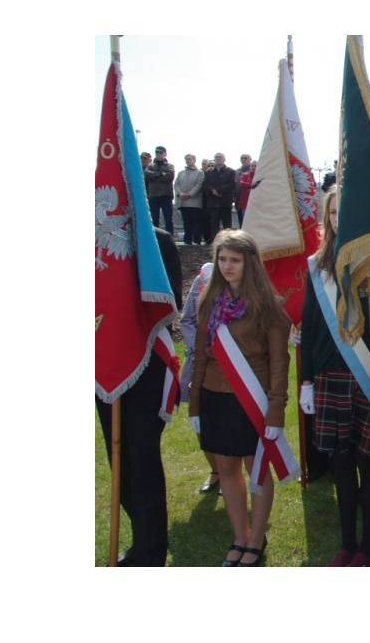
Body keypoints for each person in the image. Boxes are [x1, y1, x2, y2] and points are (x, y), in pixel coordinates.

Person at [300, 189, 370, 567]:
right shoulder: (316, 265)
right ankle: (346, 543)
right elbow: (310, 326)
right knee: (341, 465)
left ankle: (369, 546)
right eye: (335, 212)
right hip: (329, 377)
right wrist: (307, 380)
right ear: (328, 218)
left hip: (368, 379)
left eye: (348, 210)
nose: (341, 218)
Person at [189, 229, 291, 567]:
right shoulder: (209, 300)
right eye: (222, 259)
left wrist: (276, 409)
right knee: (227, 467)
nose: (227, 266)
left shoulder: (269, 305)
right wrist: (195, 402)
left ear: (250, 262)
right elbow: (201, 355)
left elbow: (279, 361)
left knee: (256, 468)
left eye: (234, 260)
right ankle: (240, 536)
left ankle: (257, 539)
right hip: (215, 396)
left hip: (252, 398)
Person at [95, 227, 182, 566]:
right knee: (119, 461)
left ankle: (150, 551)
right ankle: (142, 535)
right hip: (105, 363)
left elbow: (169, 300)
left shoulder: (156, 241)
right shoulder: (92, 241)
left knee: (142, 457)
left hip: (148, 363)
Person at [180, 259, 221, 494]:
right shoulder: (201, 280)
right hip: (199, 362)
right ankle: (214, 470)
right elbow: (186, 319)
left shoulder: (241, 283)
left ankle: (229, 472)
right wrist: (199, 348)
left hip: (228, 364)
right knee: (199, 419)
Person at [203, 153, 236, 244]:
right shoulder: (208, 172)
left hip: (225, 202)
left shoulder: (230, 171)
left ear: (224, 159)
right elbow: (205, 184)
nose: (218, 159)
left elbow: (231, 184)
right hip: (213, 202)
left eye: (220, 157)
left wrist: (219, 191)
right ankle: (215, 242)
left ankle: (228, 242)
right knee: (214, 224)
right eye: (216, 157)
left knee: (227, 224)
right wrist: (213, 191)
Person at [144, 146, 176, 237]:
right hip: (153, 195)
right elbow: (147, 175)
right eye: (157, 152)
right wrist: (161, 174)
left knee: (168, 218)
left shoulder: (170, 166)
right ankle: (155, 237)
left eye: (161, 153)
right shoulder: (150, 165)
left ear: (165, 154)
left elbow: (170, 176)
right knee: (154, 218)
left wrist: (154, 177)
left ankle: (170, 237)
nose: (159, 154)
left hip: (166, 195)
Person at [175, 153, 205, 246]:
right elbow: (176, 184)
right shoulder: (180, 173)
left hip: (195, 202)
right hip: (183, 202)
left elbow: (199, 185)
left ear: (194, 160)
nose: (188, 160)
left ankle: (196, 240)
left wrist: (190, 194)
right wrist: (180, 193)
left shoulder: (200, 173)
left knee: (196, 222)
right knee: (186, 222)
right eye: (186, 159)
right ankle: (187, 240)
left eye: (190, 159)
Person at [236, 160, 256, 227]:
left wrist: (250, 186)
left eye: (255, 166)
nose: (254, 167)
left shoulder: (260, 176)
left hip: (257, 203)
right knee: (245, 223)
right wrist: (253, 185)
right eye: (252, 166)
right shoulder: (244, 175)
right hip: (245, 203)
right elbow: (242, 183)